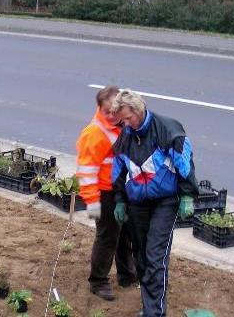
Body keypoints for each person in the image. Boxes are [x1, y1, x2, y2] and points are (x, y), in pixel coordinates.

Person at [110, 90, 198, 317]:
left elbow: (184, 163)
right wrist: (119, 201)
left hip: (165, 201)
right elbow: (118, 173)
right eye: (122, 120)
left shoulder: (167, 130)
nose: (126, 124)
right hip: (138, 202)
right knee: (141, 256)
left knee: (155, 256)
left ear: (138, 110)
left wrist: (187, 194)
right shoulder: (126, 138)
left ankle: (154, 313)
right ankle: (149, 305)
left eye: (128, 118)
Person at [76, 85, 138, 301]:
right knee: (108, 238)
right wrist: (92, 202)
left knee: (125, 235)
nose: (111, 116)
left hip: (120, 191)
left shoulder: (121, 125)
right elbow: (87, 171)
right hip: (105, 194)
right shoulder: (95, 133)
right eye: (106, 112)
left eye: (115, 111)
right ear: (98, 108)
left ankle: (127, 275)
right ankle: (98, 281)